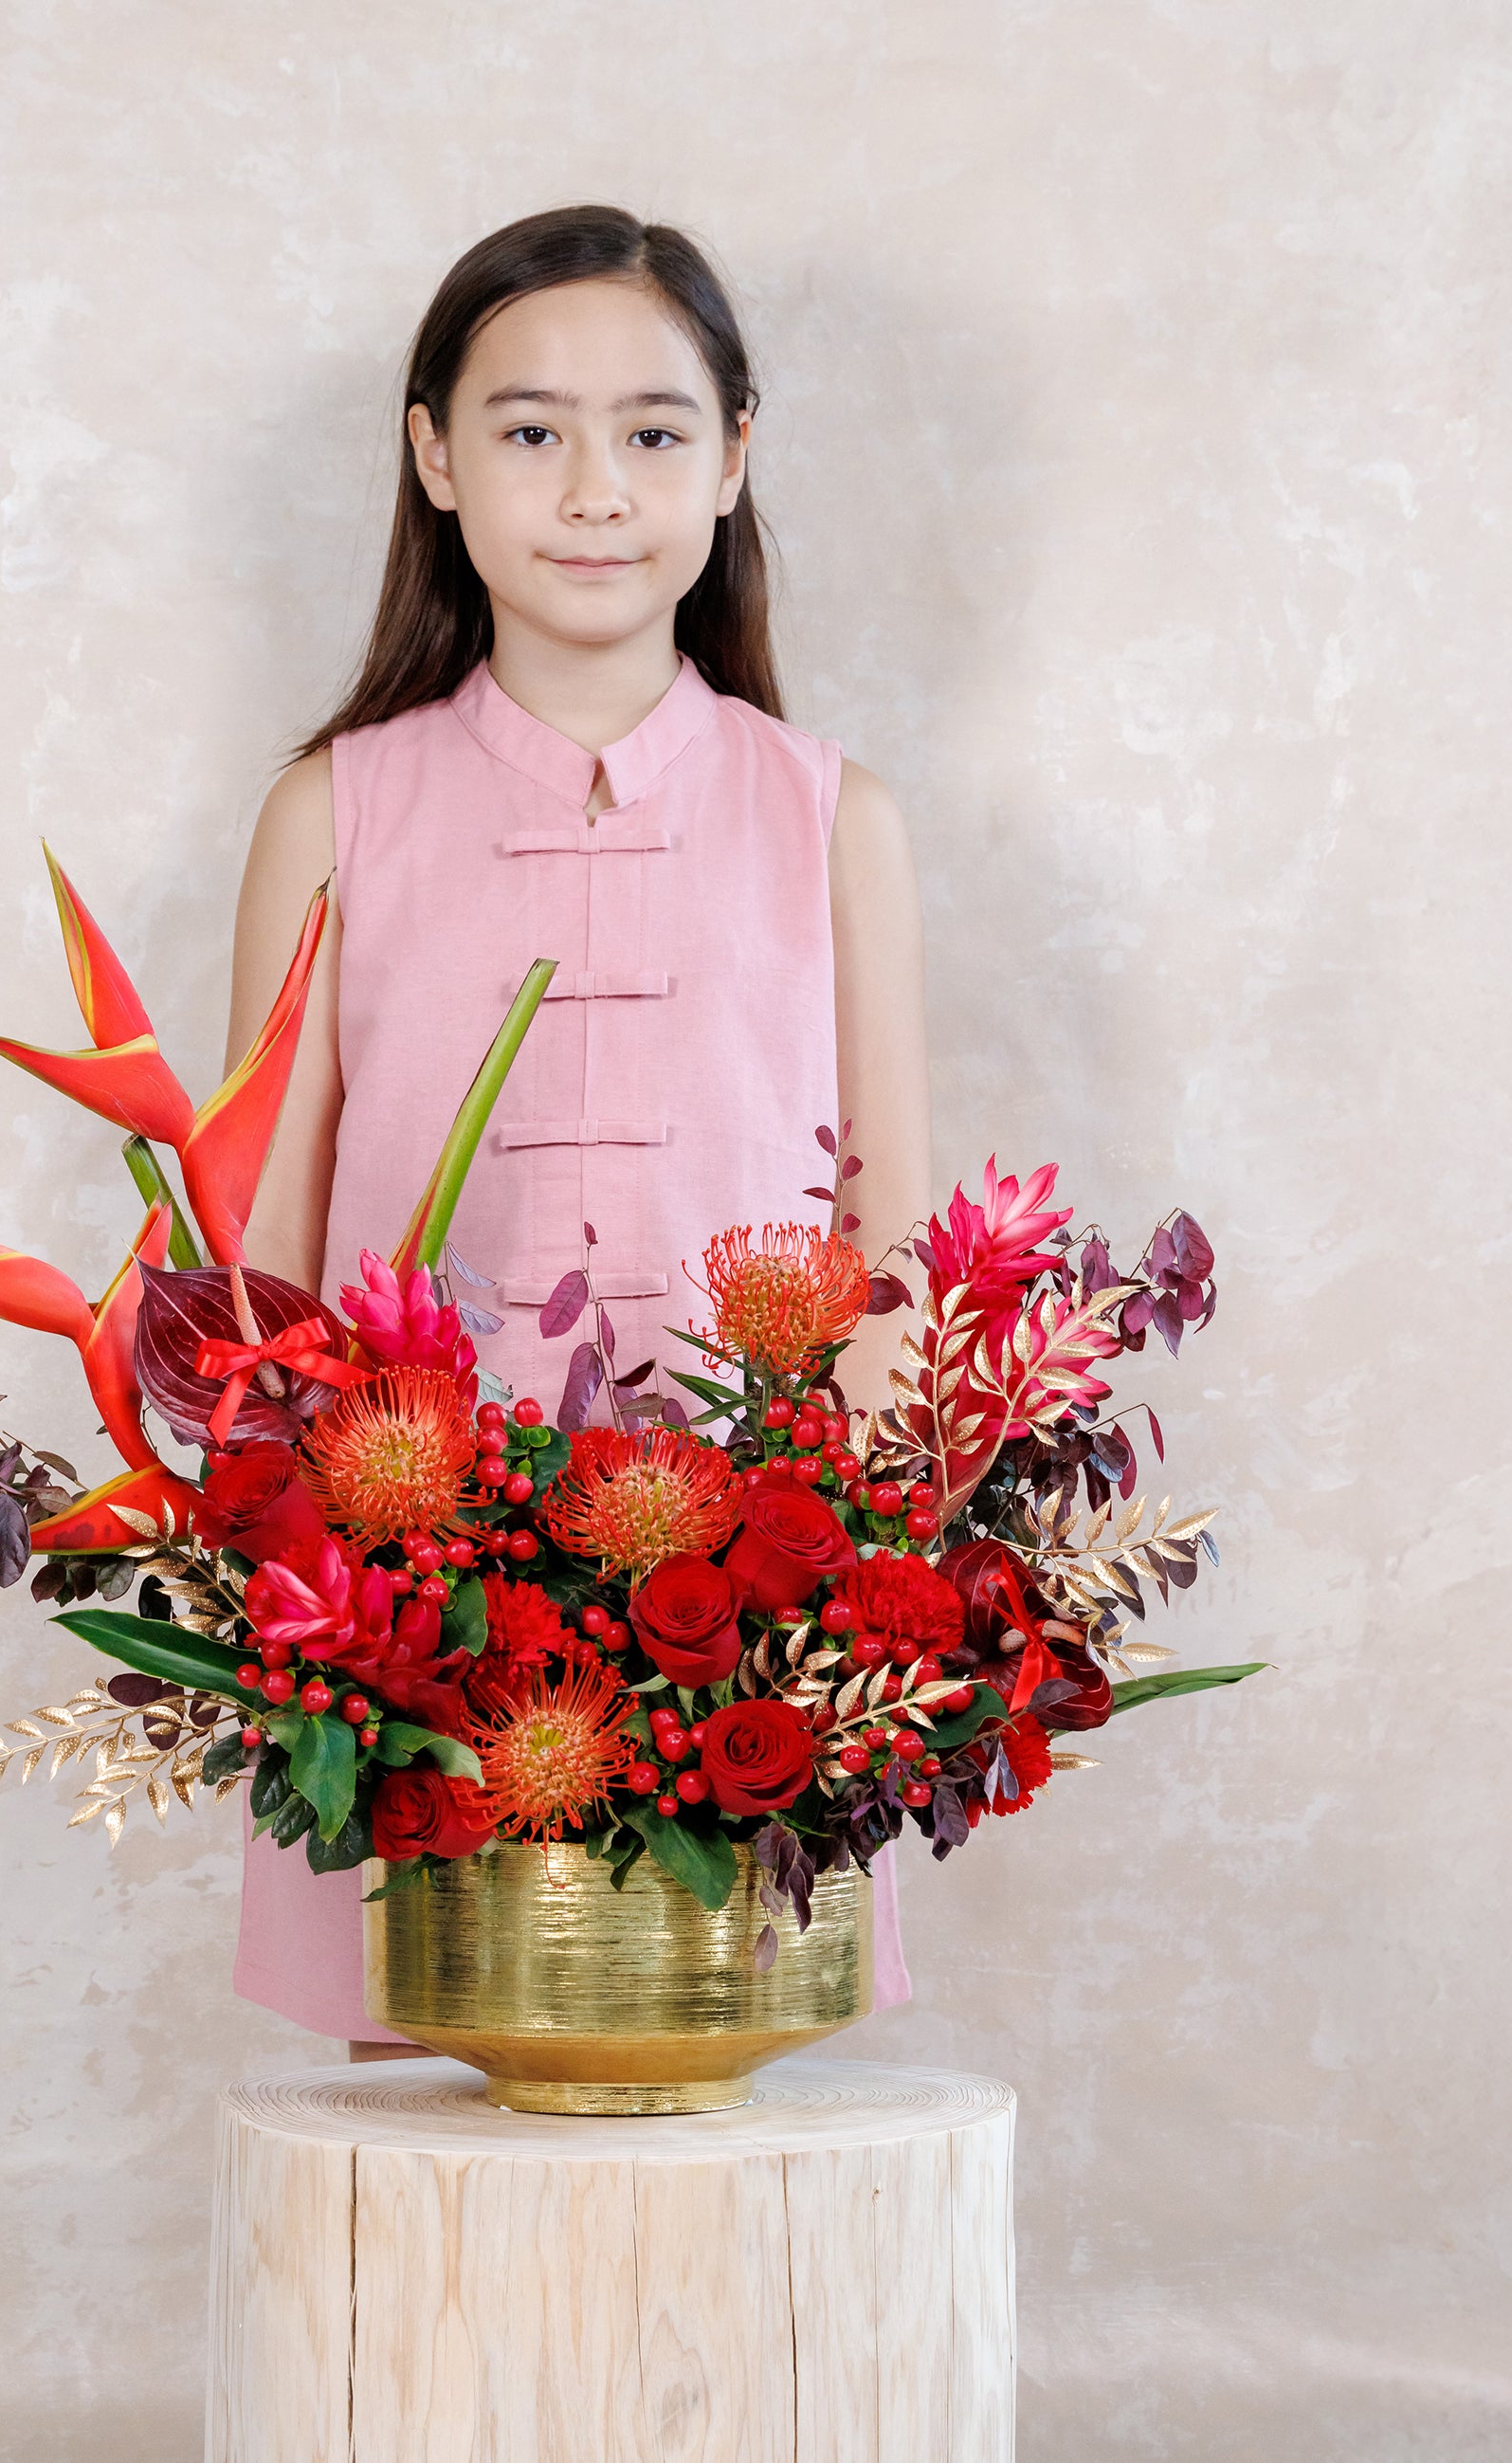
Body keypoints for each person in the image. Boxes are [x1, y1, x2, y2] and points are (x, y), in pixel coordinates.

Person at [221, 205, 931, 2055]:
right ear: (435, 455)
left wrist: (855, 1593)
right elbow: (257, 1271)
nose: (596, 489)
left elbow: (895, 1255)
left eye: (654, 430)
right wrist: (296, 1568)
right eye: (530, 429)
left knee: (706, 2083)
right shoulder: (334, 812)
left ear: (735, 456)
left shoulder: (831, 816)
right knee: (435, 2108)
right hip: (419, 1602)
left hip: (742, 1599)